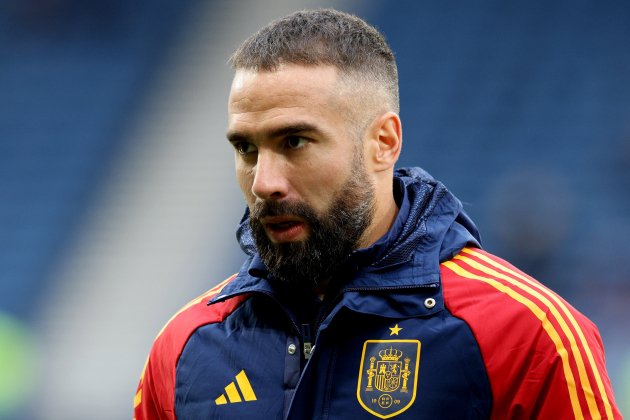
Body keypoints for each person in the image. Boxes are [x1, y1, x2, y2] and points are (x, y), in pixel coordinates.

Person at [133, 9, 621, 419]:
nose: (264, 182)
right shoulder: (182, 349)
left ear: (383, 143)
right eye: (246, 148)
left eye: (294, 142)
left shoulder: (526, 336)